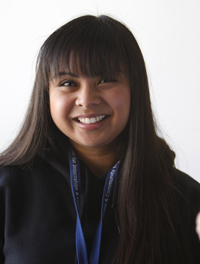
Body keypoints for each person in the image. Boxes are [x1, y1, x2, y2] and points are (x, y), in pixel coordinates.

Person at [0, 15, 200, 264]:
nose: (86, 99)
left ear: (135, 88)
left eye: (105, 80)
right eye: (68, 83)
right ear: (46, 96)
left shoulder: (186, 199)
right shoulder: (8, 187)